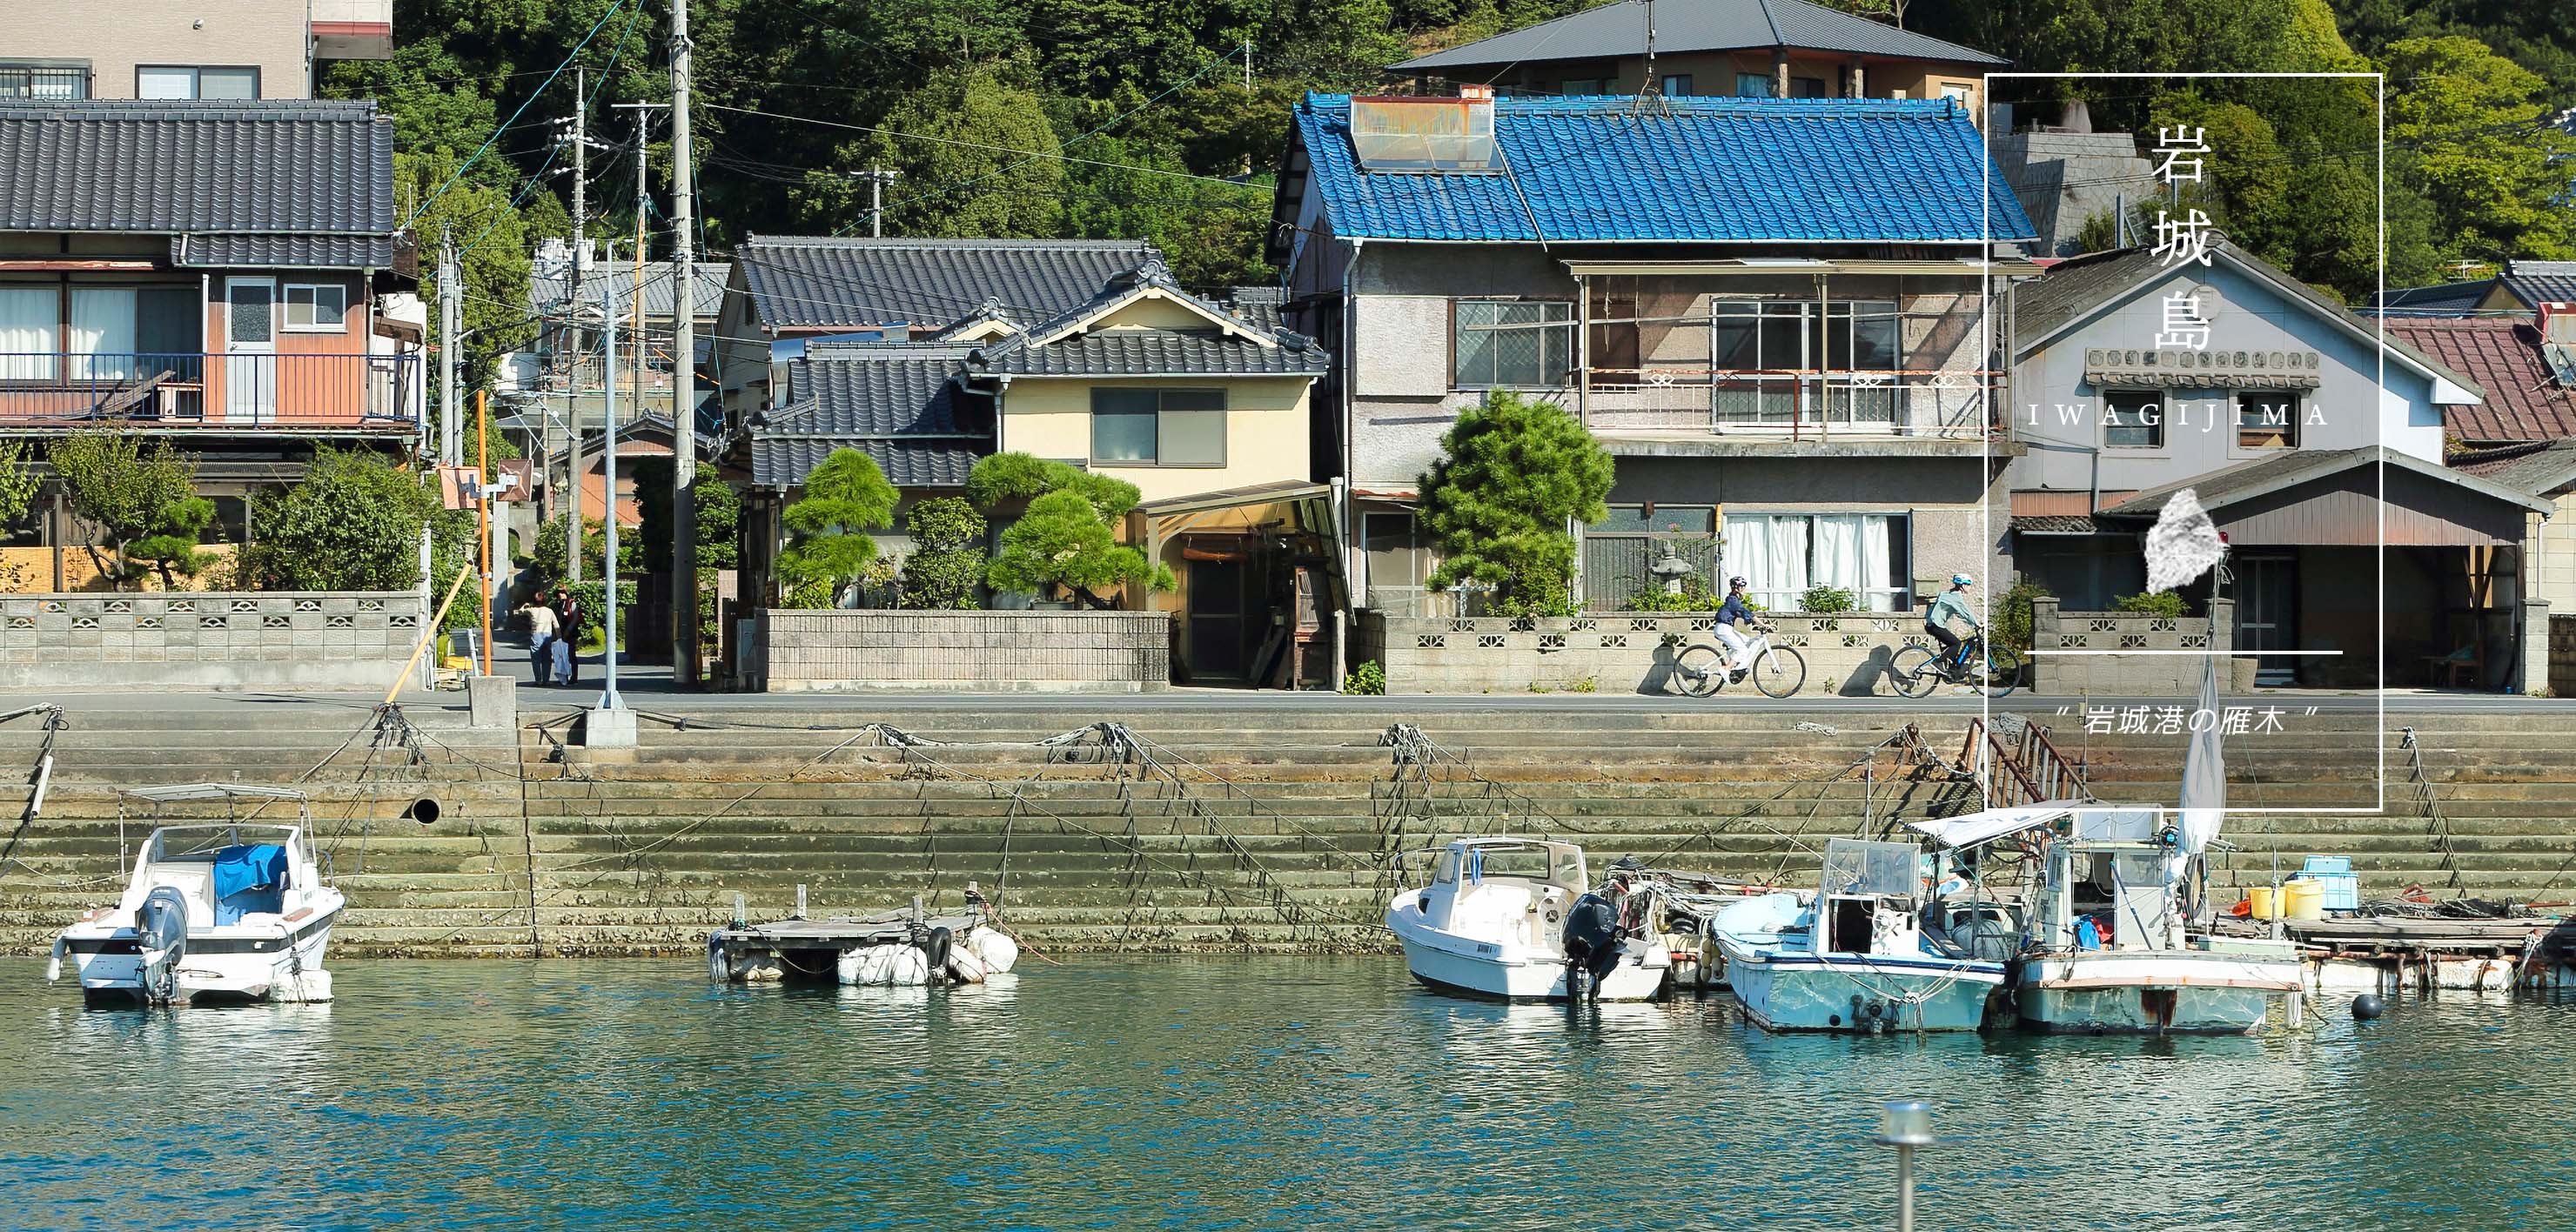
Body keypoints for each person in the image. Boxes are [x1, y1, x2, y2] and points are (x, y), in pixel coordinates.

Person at [1925, 572, 1981, 672]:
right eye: (1969, 585)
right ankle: (1938, 663)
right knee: (1956, 643)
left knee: (1953, 645)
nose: (1970, 588)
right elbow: (1966, 612)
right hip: (1935, 626)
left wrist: (1971, 624)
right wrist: (1976, 624)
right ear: (1963, 586)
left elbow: (1960, 614)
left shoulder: (1949, 595)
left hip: (1933, 625)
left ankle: (1951, 670)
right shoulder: (1956, 597)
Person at [1712, 576, 1768, 672]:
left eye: (1744, 587)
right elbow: (1746, 613)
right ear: (1736, 588)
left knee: (1747, 642)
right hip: (1723, 630)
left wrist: (1757, 622)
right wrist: (1763, 625)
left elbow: (1745, 615)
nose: (1744, 589)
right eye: (1742, 587)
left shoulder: (1734, 600)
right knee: (1742, 650)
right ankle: (1726, 669)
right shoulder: (1733, 601)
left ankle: (1736, 666)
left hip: (1727, 629)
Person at [520, 598, 560, 686]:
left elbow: (520, 612)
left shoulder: (532, 610)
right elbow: (556, 624)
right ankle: (546, 680)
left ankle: (538, 680)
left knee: (536, 659)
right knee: (547, 659)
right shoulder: (549, 611)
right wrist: (559, 637)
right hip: (547, 635)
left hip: (536, 635)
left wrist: (525, 606)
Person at [551, 586, 586, 686]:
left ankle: (574, 677)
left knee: (571, 655)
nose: (560, 595)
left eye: (562, 593)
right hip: (560, 633)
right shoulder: (559, 604)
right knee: (562, 655)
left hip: (570, 633)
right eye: (559, 593)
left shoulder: (572, 603)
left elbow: (575, 618)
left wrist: (568, 630)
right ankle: (564, 676)